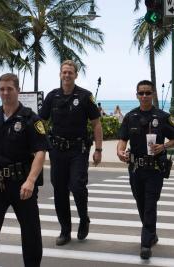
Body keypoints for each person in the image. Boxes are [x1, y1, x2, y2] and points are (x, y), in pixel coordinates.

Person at [0, 73, 49, 267]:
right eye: (2, 89)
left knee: (30, 232)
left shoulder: (30, 118)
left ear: (18, 90)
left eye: (9, 89)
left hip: (21, 184)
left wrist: (30, 180)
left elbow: (40, 152)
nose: (5, 93)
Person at [39, 59, 103, 246]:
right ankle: (65, 230)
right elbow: (41, 121)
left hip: (78, 149)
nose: (67, 75)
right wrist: (40, 142)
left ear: (76, 75)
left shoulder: (85, 96)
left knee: (77, 186)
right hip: (57, 150)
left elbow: (96, 124)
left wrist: (98, 150)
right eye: (64, 72)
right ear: (60, 74)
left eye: (70, 72)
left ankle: (84, 219)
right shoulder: (52, 96)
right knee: (59, 190)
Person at [117, 80, 174, 260]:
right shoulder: (130, 117)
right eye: (141, 93)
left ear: (153, 94)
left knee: (150, 204)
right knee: (141, 203)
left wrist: (164, 146)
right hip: (136, 168)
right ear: (136, 95)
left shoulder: (162, 116)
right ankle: (151, 233)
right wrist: (119, 152)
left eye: (147, 93)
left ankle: (146, 243)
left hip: (154, 169)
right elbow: (122, 140)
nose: (144, 96)